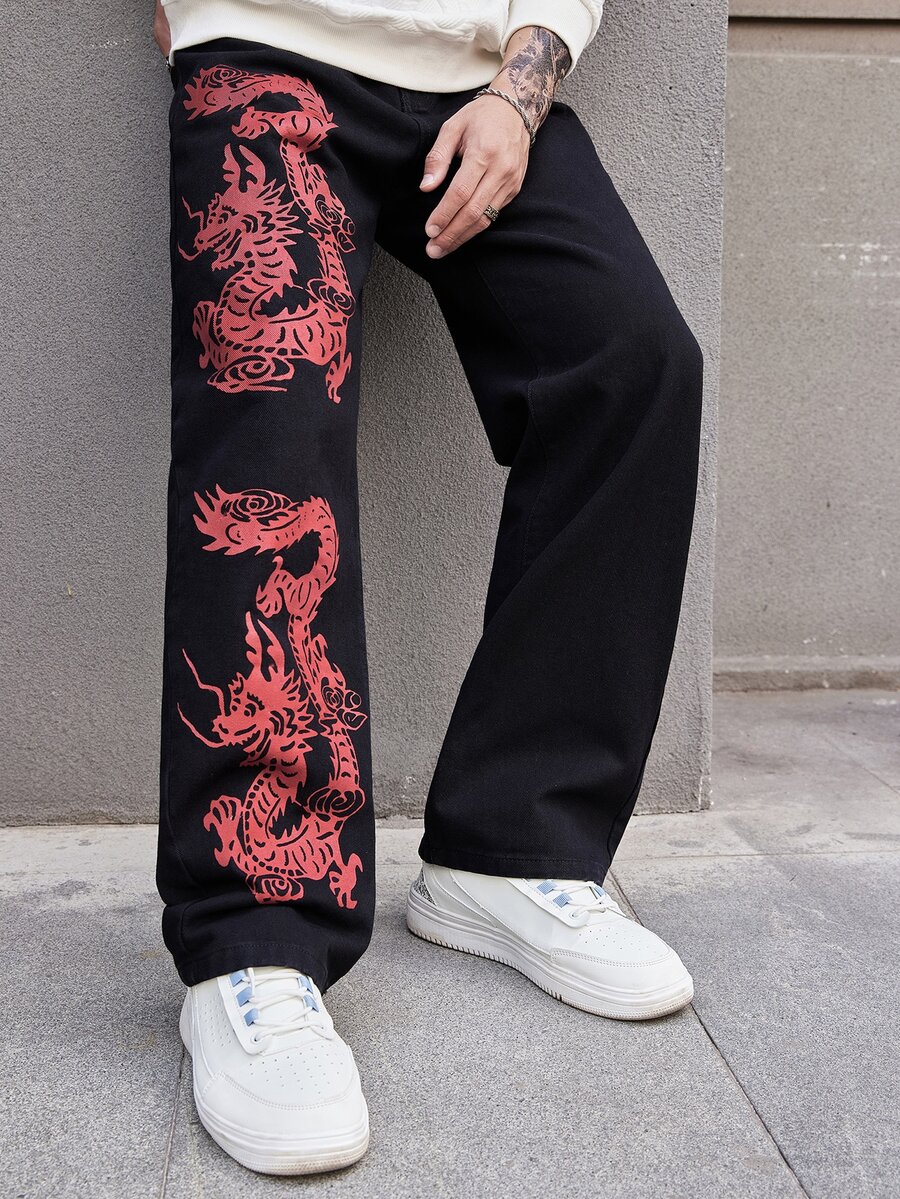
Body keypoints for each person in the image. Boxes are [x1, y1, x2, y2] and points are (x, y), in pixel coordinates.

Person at [153, 0, 704, 1176]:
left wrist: (523, 80)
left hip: (475, 80)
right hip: (267, 42)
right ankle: (254, 936)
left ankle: (512, 844)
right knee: (270, 447)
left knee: (632, 363)